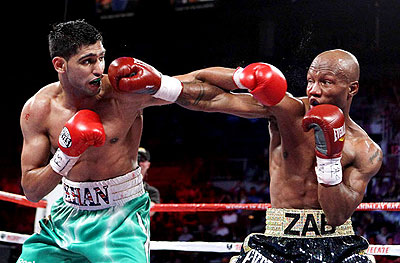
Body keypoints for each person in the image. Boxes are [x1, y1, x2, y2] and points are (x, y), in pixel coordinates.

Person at [17, 19, 220, 263]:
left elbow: (194, 84)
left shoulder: (122, 92)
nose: (98, 69)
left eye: (101, 57)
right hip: (64, 218)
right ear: (60, 65)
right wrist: (66, 156)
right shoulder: (39, 109)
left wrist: (243, 82)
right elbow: (31, 191)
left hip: (121, 219)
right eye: (87, 61)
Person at [172, 49, 383, 262]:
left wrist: (329, 159)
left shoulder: (365, 149)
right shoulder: (288, 111)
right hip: (278, 240)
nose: (313, 90)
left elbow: (336, 215)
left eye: (326, 82)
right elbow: (212, 100)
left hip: (336, 245)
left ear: (352, 88)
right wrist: (165, 87)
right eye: (310, 81)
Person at [138, 147, 160, 217]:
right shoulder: (117, 186)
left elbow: (149, 212)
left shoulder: (152, 192)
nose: (139, 163)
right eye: (136, 159)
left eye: (143, 160)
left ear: (148, 165)